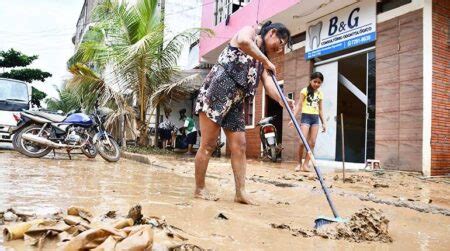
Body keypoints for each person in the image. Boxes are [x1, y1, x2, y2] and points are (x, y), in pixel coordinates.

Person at [194, 21, 294, 205]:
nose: (279, 50)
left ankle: (240, 193)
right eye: (280, 43)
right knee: (208, 145)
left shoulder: (262, 60)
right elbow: (243, 41)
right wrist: (266, 60)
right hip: (217, 92)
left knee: (240, 146)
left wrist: (282, 100)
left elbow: (270, 86)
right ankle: (199, 189)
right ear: (272, 33)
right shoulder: (249, 31)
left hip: (236, 102)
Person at [289, 72, 326, 172]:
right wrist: (293, 118)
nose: (317, 84)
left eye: (319, 82)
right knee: (302, 142)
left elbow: (321, 110)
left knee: (312, 143)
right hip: (306, 117)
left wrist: (324, 123)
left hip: (315, 119)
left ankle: (306, 164)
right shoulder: (304, 91)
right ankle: (299, 163)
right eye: (315, 81)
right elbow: (299, 105)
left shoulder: (320, 94)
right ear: (311, 80)